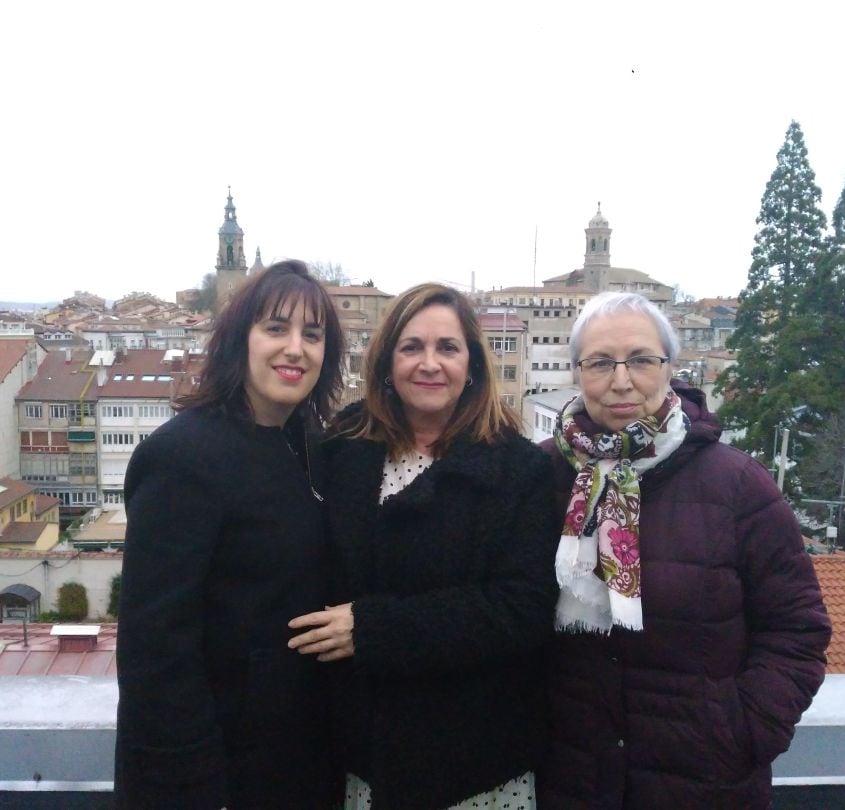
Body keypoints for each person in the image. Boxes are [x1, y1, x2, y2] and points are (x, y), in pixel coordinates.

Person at [535, 292, 832, 810]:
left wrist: (741, 734)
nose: (621, 380)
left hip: (704, 783)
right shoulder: (538, 478)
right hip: (569, 777)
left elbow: (795, 629)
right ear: (578, 371)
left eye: (642, 360)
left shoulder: (738, 485)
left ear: (671, 367)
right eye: (601, 362)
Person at [288, 283, 560, 810]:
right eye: (411, 347)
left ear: (473, 366)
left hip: (476, 764)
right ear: (387, 363)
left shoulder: (517, 469)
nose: (429, 364)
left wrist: (376, 629)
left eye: (448, 348)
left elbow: (522, 609)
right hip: (363, 754)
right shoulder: (341, 451)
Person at [114, 260, 345, 810]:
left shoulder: (315, 445)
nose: (296, 348)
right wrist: (191, 783)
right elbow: (155, 649)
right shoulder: (182, 456)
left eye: (312, 335)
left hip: (301, 758)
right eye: (276, 328)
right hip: (216, 774)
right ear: (238, 341)